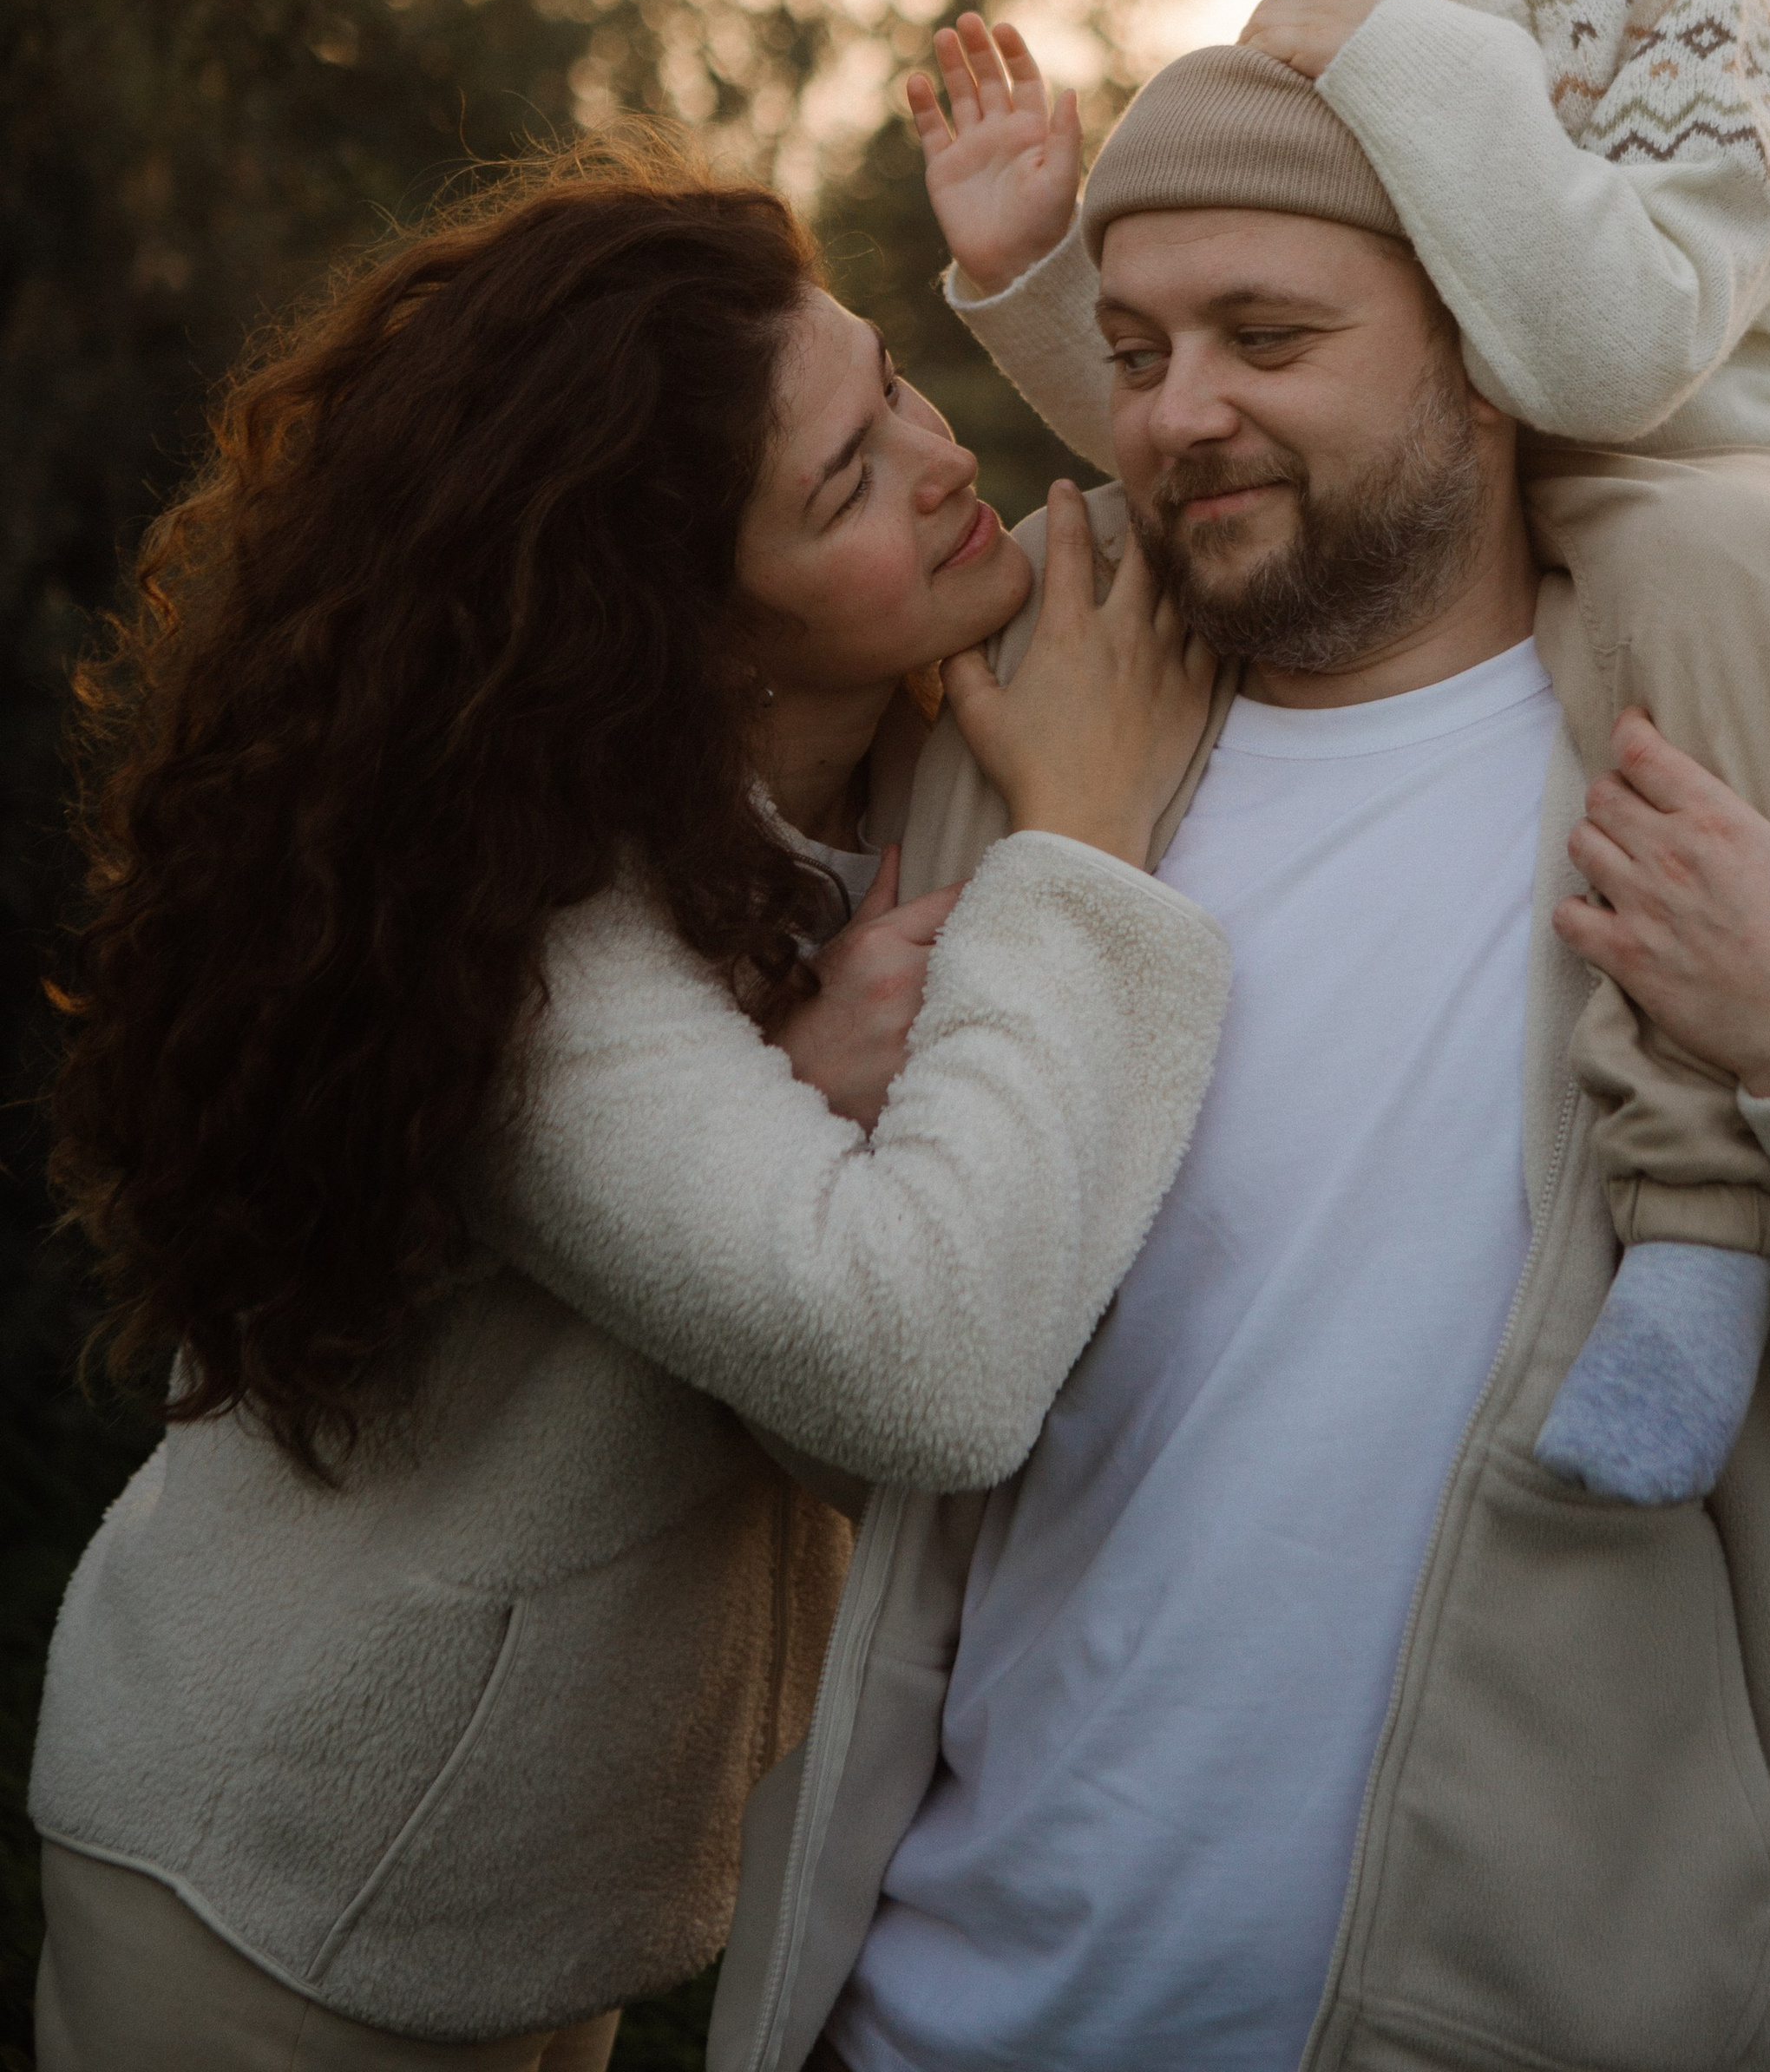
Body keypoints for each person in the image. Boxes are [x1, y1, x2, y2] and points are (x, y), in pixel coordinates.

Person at [709, 47, 1770, 2072]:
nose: (1177, 411)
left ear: (1489, 351)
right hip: (926, 2025)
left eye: (1271, 335)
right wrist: (800, 1138)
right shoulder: (1015, 774)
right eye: (1137, 345)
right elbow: (891, 1441)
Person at [29, 134, 1226, 2072]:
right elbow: (917, 1364)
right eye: (846, 479)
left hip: (534, 1897)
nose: (939, 459)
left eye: (894, 381)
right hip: (279, 1895)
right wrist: (1080, 862)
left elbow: (1254, 506)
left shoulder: (901, 750)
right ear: (675, 625)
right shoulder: (530, 941)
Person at [905, 0, 1770, 1506]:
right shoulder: (1341, 53)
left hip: (1758, 513)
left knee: (1696, 547)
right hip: (1497, 529)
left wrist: (1401, 65)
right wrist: (1034, 271)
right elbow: (1232, 405)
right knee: (1137, 556)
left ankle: (1698, 1227)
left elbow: (1610, 357)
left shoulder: (1696, 17)